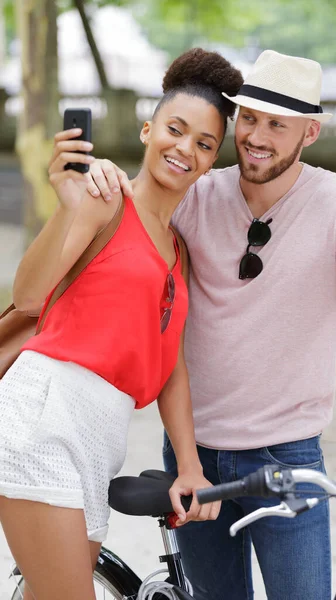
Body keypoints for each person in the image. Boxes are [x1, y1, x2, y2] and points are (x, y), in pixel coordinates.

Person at [87, 49, 336, 600]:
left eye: (278, 124)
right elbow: (128, 220)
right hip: (192, 453)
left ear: (311, 131)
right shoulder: (197, 194)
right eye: (249, 117)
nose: (257, 136)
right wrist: (102, 176)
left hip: (289, 460)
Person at [0, 48, 243, 600]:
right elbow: (30, 294)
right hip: (45, 415)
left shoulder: (178, 252)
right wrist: (66, 204)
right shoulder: (105, 199)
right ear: (146, 130)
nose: (186, 149)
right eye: (175, 130)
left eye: (204, 144)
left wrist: (190, 466)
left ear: (211, 161)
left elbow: (171, 364)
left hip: (102, 437)